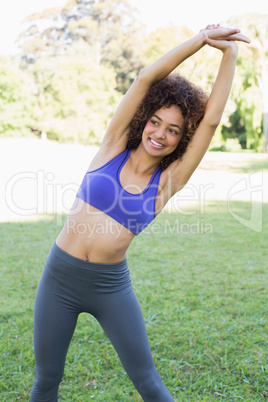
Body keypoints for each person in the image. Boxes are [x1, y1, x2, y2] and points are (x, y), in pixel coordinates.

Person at [30, 24, 250, 401]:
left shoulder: (167, 182)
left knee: (148, 382)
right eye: (155, 122)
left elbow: (211, 121)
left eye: (174, 130)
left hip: (110, 287)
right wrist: (200, 41)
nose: (160, 134)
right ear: (144, 119)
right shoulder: (112, 146)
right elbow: (146, 78)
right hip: (59, 277)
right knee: (47, 380)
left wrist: (228, 54)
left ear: (182, 139)